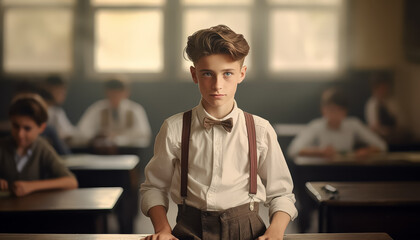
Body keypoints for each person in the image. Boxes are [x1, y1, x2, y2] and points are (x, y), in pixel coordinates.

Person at [140, 25, 297, 240]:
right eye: (207, 74)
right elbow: (154, 187)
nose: (217, 85)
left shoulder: (260, 130)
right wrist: (162, 230)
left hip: (248, 230)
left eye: (227, 74)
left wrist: (275, 231)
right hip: (188, 230)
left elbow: (281, 193)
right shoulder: (174, 128)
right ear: (194, 74)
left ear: (241, 74)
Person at [0, 93, 78, 197]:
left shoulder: (42, 148)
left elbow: (71, 182)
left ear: (41, 128)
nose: (20, 134)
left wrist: (31, 186)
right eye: (15, 126)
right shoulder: (2, 146)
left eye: (27, 128)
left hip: (35, 211)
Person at [288, 87, 387, 159]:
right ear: (323, 110)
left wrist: (366, 151)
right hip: (320, 173)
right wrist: (320, 152)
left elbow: (381, 145)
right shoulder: (316, 126)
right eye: (330, 110)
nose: (333, 114)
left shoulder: (353, 124)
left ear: (345, 112)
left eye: (338, 110)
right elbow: (293, 150)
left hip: (348, 172)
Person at [76, 78, 152, 149]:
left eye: (118, 93)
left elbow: (144, 136)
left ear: (126, 93)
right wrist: (99, 137)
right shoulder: (97, 109)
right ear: (106, 93)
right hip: (103, 150)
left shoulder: (135, 110)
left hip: (128, 150)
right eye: (112, 94)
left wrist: (117, 139)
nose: (115, 97)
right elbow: (82, 132)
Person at [365, 78, 406, 144]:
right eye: (381, 88)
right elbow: (374, 126)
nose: (384, 91)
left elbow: (400, 120)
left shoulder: (392, 102)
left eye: (385, 88)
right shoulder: (371, 104)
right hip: (379, 136)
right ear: (375, 89)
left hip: (394, 135)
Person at [43, 75, 76, 143]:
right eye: (60, 90)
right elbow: (66, 135)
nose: (64, 94)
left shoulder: (56, 111)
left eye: (64, 91)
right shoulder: (54, 113)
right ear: (48, 89)